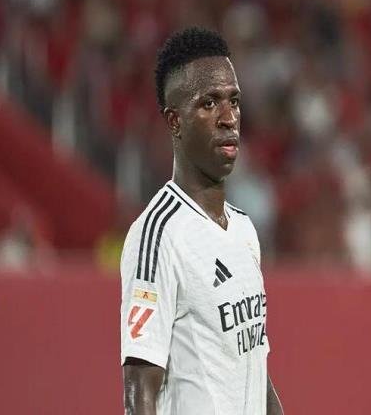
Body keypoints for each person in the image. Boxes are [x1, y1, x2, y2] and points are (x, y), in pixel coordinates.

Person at [120, 27, 283, 415]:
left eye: (234, 101)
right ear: (174, 121)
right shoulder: (157, 235)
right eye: (209, 103)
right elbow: (139, 387)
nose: (229, 118)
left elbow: (254, 368)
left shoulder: (243, 231)